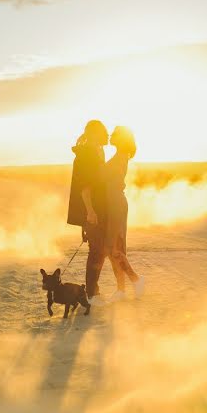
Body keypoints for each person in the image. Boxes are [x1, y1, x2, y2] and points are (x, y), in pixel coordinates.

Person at [67, 120, 109, 305]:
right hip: (93, 209)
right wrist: (90, 212)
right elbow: (85, 187)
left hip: (98, 208)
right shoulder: (86, 154)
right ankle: (91, 294)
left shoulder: (95, 152)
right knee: (96, 251)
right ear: (95, 134)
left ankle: (94, 290)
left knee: (99, 250)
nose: (107, 135)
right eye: (104, 132)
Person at [104, 125, 145, 301]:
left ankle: (135, 280)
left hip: (115, 204)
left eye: (115, 133)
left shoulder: (120, 156)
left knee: (115, 248)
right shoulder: (119, 155)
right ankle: (121, 289)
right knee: (112, 248)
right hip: (112, 203)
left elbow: (110, 182)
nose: (110, 135)